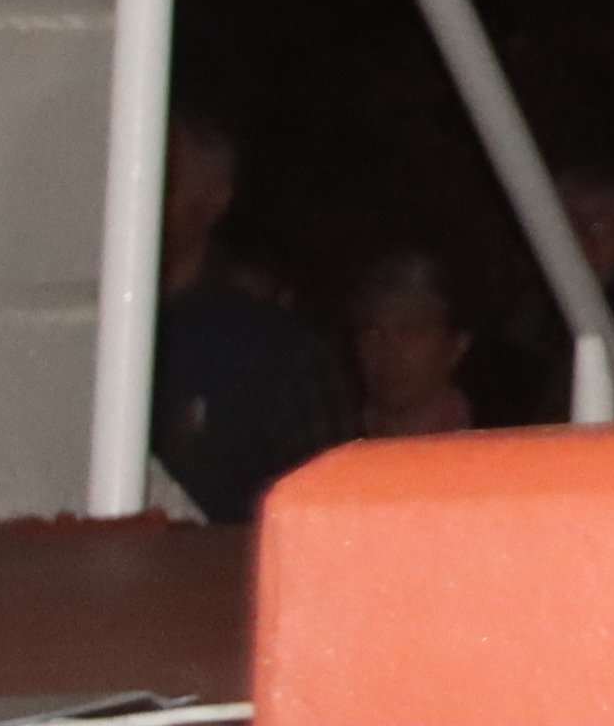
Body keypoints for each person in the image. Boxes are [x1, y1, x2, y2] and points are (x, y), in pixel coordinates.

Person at [148, 106, 350, 518]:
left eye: (165, 181)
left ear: (216, 198)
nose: (143, 195)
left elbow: (332, 513)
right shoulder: (80, 330)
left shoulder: (280, 353)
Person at [345, 252, 478, 438]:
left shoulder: (498, 445)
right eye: (373, 333)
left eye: (411, 332)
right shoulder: (334, 448)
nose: (388, 352)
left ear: (456, 346)